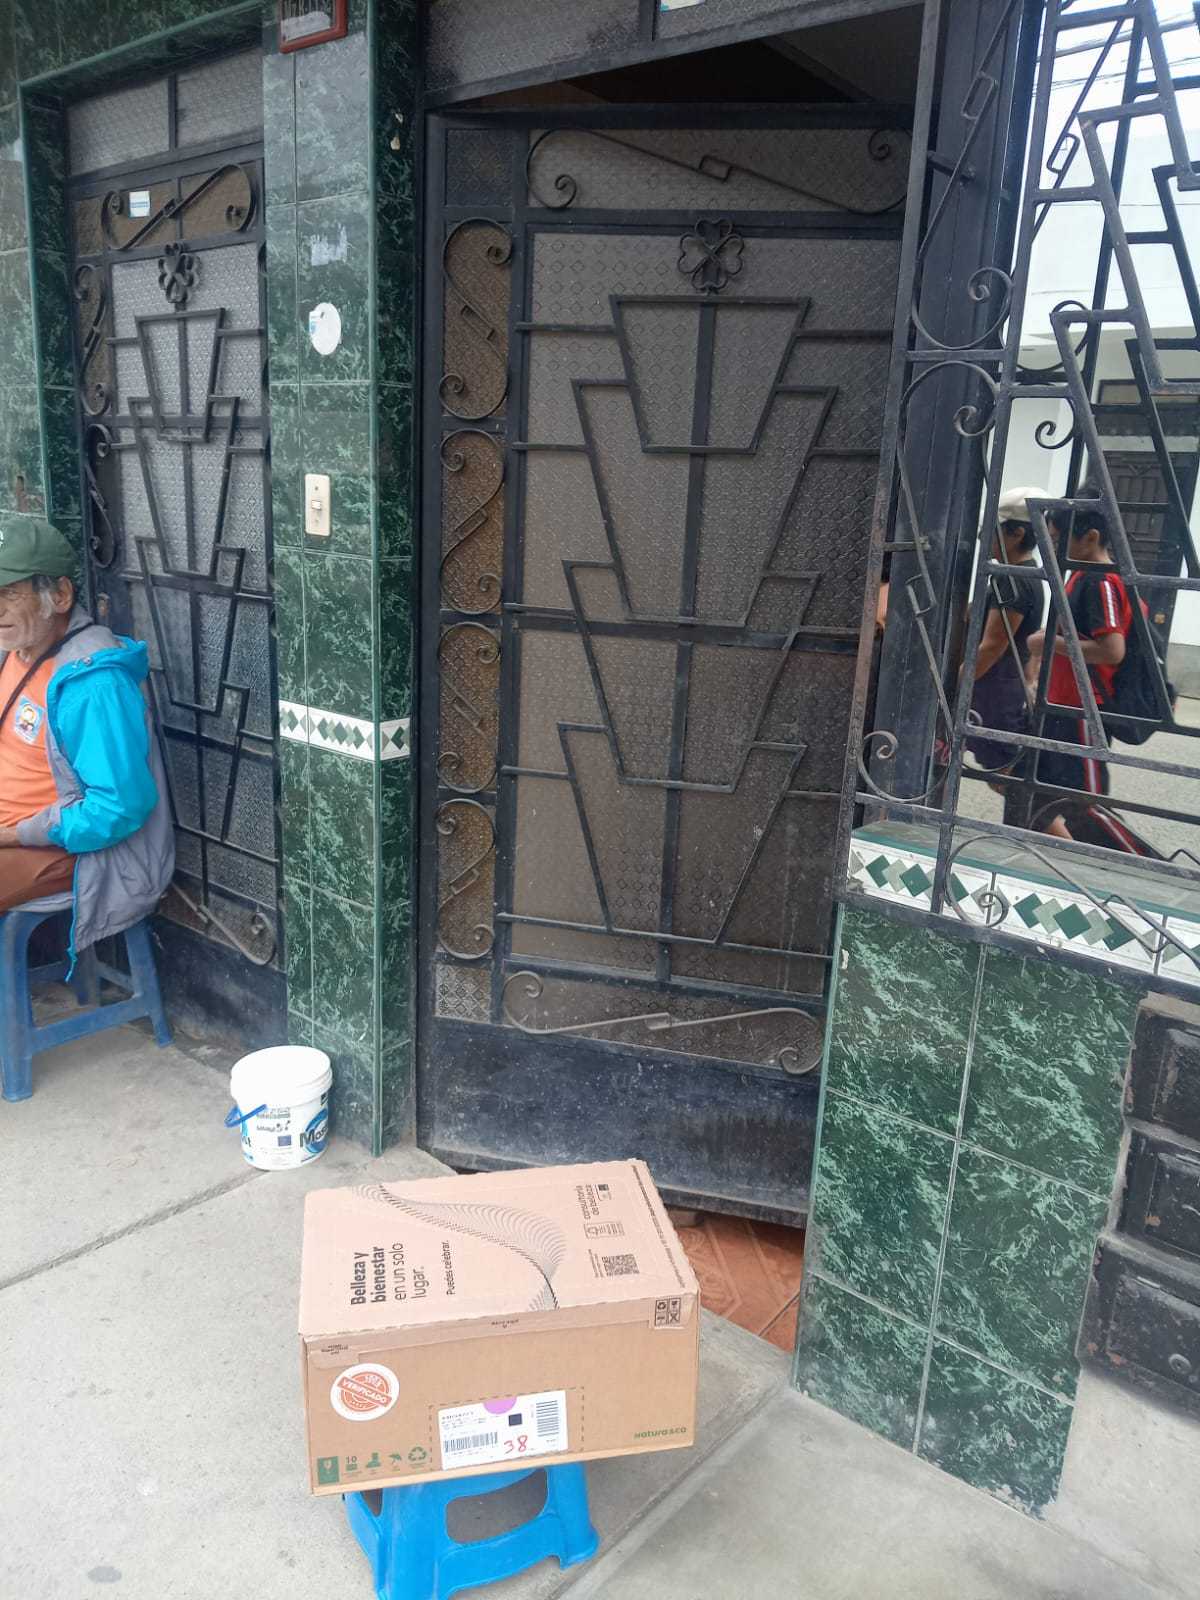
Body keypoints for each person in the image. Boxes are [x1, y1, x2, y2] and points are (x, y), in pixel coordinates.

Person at [0, 518, 174, 952]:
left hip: (67, 849)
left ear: (60, 596)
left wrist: (16, 834)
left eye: (10, 594)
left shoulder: (93, 685)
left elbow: (118, 808)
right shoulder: (14, 651)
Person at [1024, 494, 1134, 844]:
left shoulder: (1100, 582)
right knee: (1036, 792)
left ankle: (1136, 861)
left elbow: (1112, 650)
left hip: (1084, 708)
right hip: (1063, 703)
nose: (1054, 547)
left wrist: (1047, 644)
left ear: (1091, 537)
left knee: (1086, 804)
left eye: (1059, 539)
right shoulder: (1080, 575)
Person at [965, 487, 1044, 780]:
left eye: (991, 529)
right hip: (1000, 690)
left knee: (1008, 780)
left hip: (994, 696)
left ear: (1017, 534)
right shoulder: (1021, 575)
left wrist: (952, 687)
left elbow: (992, 646)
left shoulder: (1013, 580)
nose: (981, 536)